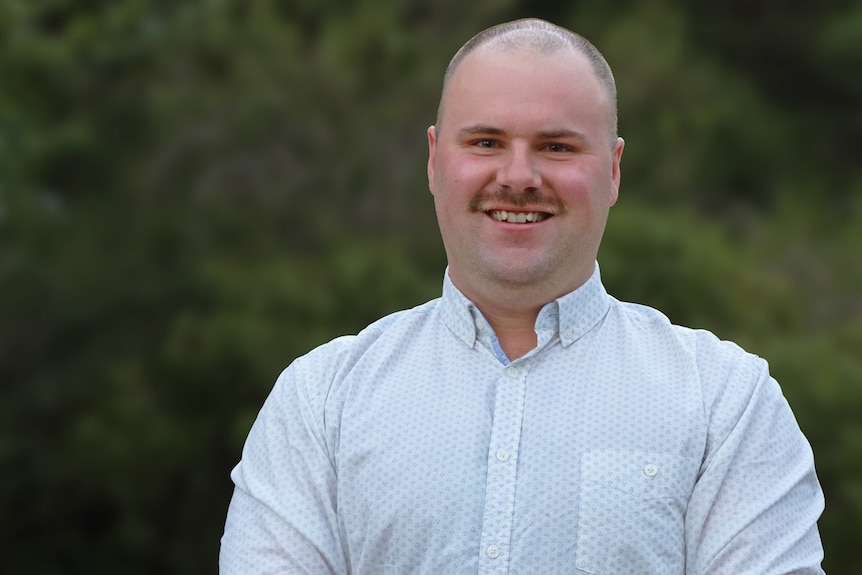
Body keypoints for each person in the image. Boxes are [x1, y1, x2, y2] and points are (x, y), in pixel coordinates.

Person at [220, 18, 825, 574]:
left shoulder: (726, 404)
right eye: (485, 142)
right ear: (435, 161)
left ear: (613, 171)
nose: (517, 176)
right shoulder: (321, 402)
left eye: (556, 146)